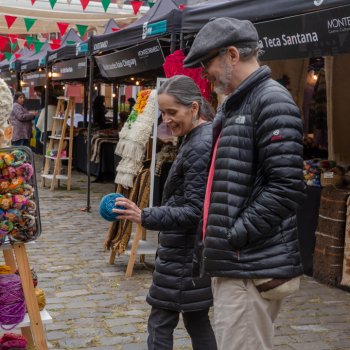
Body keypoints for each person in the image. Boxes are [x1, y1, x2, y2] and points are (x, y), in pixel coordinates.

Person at [183, 17, 306, 350]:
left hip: (248, 266)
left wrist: (233, 236)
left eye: (207, 62)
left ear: (232, 55)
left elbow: (286, 187)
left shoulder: (271, 100)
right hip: (239, 263)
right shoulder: (239, 102)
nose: (204, 72)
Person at [113, 75, 217, 350]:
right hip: (190, 253)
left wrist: (145, 215)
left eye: (173, 112)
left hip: (184, 255)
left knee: (161, 321)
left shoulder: (198, 144)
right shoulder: (197, 137)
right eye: (163, 113)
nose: (167, 120)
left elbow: (194, 211)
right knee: (196, 319)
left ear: (194, 108)